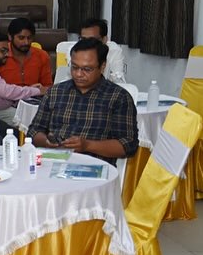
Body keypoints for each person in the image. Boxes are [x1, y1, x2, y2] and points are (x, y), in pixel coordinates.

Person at [27, 37, 138, 165]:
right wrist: (46, 142)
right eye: (74, 67)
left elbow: (128, 145)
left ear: (102, 66)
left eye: (87, 69)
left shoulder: (118, 97)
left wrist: (87, 145)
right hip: (53, 162)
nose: (78, 74)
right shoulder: (56, 92)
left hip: (93, 166)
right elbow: (34, 131)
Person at [0, 17, 52, 89]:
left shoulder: (42, 56)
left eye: (29, 38)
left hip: (35, 95)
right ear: (10, 37)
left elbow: (48, 86)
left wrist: (42, 89)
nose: (26, 42)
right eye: (21, 38)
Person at [78, 17, 127, 83]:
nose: (87, 44)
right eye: (83, 39)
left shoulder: (114, 51)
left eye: (92, 40)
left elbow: (118, 81)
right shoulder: (74, 51)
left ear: (104, 39)